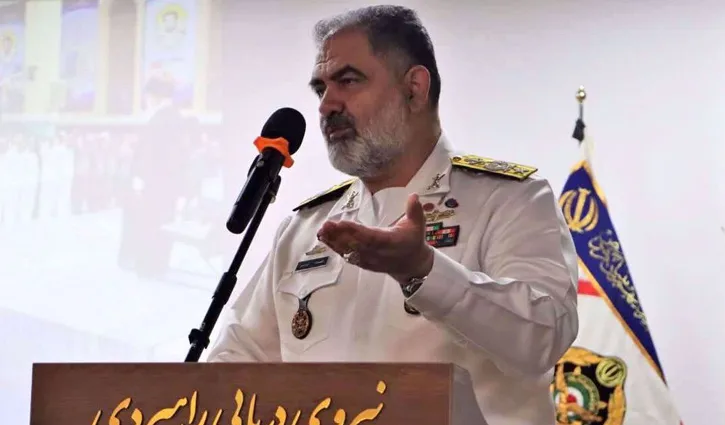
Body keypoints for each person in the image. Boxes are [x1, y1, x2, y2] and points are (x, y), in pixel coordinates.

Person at [207, 5, 579, 424]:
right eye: (321, 89)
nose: (327, 105)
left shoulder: (509, 199)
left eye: (348, 81)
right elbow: (236, 359)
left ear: (414, 89)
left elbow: (544, 336)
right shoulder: (305, 227)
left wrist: (424, 271)